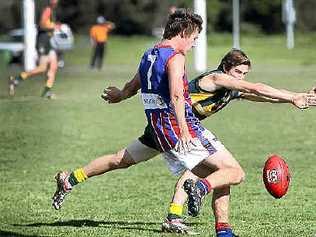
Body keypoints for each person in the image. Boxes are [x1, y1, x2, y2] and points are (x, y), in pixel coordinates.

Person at [52, 10, 316, 237]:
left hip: (157, 128)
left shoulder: (149, 54)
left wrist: (120, 95)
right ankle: (200, 204)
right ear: (185, 32)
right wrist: (184, 129)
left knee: (120, 159)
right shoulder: (179, 59)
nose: (194, 43)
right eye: (195, 38)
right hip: (178, 128)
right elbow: (180, 95)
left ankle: (70, 179)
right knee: (234, 173)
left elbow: (133, 86)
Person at [102, 48, 316, 236]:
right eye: (238, 72)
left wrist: (299, 96)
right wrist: (292, 98)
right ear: (225, 67)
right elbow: (257, 88)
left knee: (211, 172)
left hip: (179, 129)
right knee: (222, 172)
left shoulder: (231, 88)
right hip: (178, 128)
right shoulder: (215, 79)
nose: (241, 78)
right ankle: (196, 202)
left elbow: (265, 96)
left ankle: (198, 223)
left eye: (244, 74)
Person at [9, 0, 60, 99]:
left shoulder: (52, 11)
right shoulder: (47, 10)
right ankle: (16, 80)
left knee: (53, 67)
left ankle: (47, 92)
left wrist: (54, 27)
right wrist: (53, 26)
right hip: (42, 42)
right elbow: (42, 24)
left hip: (48, 42)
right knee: (42, 68)